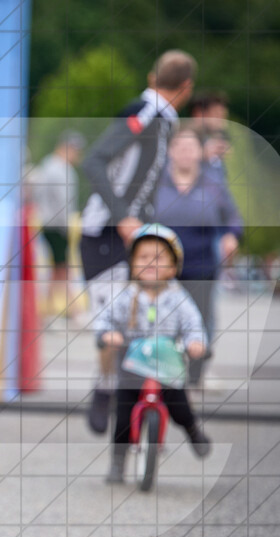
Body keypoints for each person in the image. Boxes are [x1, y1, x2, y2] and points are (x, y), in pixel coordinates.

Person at [80, 49, 196, 434]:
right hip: (106, 234)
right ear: (186, 88)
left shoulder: (166, 122)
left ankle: (142, 400)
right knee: (113, 326)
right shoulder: (144, 114)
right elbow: (94, 160)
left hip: (140, 237)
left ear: (152, 76)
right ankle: (105, 389)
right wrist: (121, 214)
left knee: (148, 317)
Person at [95, 224, 211, 483]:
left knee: (179, 406)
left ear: (173, 267)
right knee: (123, 415)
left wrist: (196, 343)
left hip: (167, 361)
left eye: (159, 258)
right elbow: (106, 319)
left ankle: (193, 430)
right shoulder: (125, 295)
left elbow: (193, 324)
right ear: (133, 264)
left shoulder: (178, 298)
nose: (150, 264)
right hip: (132, 364)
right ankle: (118, 462)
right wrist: (107, 335)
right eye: (143, 258)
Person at [153, 127, 242, 385]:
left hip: (201, 261)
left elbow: (233, 216)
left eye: (190, 147)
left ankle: (195, 374)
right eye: (180, 147)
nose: (185, 153)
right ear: (170, 151)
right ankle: (163, 370)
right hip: (163, 264)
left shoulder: (213, 185)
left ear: (199, 153)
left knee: (200, 319)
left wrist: (231, 235)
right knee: (161, 317)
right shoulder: (157, 182)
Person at [29, 130, 85, 316]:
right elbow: (62, 202)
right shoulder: (58, 169)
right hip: (56, 226)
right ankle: (72, 311)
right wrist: (65, 227)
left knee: (59, 270)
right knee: (63, 269)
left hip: (50, 224)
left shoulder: (49, 165)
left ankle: (55, 311)